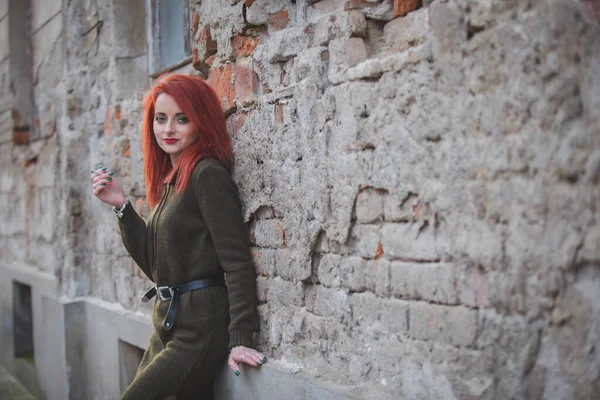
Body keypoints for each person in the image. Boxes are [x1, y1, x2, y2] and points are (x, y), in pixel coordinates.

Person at [90, 74, 265, 399]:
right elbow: (156, 267)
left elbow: (237, 261)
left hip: (201, 326)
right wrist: (122, 207)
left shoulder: (207, 175)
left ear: (201, 122)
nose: (168, 129)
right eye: (161, 119)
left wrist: (240, 337)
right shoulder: (172, 181)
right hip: (170, 321)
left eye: (181, 119)